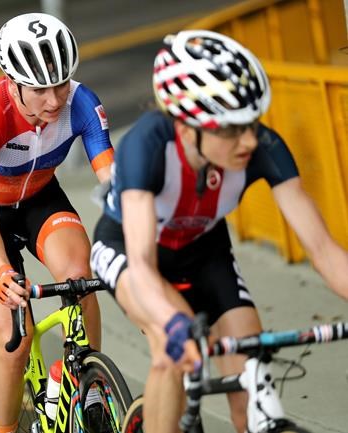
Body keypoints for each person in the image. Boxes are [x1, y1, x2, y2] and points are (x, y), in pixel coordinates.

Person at [90, 30, 348, 433]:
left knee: (251, 370)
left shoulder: (262, 145)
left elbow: (324, 250)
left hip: (204, 251)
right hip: (130, 248)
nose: (248, 140)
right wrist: (174, 326)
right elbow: (141, 265)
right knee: (172, 349)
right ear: (187, 125)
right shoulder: (147, 145)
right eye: (230, 129)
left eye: (251, 123)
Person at [0, 13, 114, 433]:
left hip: (39, 197)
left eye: (61, 83)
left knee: (81, 276)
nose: (54, 100)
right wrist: (2, 270)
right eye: (39, 89)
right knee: (13, 336)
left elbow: (116, 185)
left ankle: (88, 382)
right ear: (13, 82)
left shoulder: (82, 103)